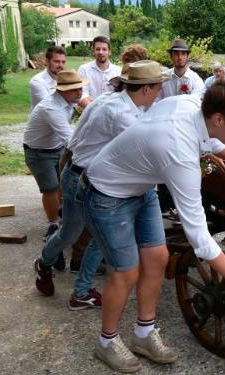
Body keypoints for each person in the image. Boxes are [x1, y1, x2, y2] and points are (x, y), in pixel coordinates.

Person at [79, 78, 225, 373]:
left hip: (140, 187)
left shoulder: (198, 105)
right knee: (126, 271)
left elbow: (216, 140)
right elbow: (199, 237)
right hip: (106, 192)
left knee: (158, 258)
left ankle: (144, 333)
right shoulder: (179, 152)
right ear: (219, 117)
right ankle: (106, 342)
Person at [34, 61, 167, 310]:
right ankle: (45, 262)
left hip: (84, 174)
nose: (160, 93)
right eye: (158, 87)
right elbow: (147, 150)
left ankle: (80, 290)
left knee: (95, 237)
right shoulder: (121, 114)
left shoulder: (115, 100)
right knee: (73, 234)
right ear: (146, 89)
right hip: (83, 178)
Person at [22, 70, 88, 249]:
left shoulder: (67, 101)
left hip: (55, 148)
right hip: (38, 152)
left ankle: (61, 218)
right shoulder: (51, 108)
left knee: (62, 185)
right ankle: (53, 225)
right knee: (50, 189)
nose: (79, 93)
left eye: (80, 88)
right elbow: (71, 140)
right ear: (61, 90)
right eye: (74, 89)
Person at [77, 36, 121, 107]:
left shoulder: (118, 71)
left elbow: (120, 95)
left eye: (104, 49)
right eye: (97, 49)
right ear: (93, 51)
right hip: (90, 111)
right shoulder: (84, 69)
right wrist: (94, 110)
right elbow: (82, 94)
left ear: (109, 52)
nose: (101, 52)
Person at [30, 46, 67, 111]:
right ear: (47, 61)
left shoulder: (66, 80)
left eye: (63, 62)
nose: (61, 65)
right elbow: (50, 107)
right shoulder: (37, 81)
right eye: (57, 61)